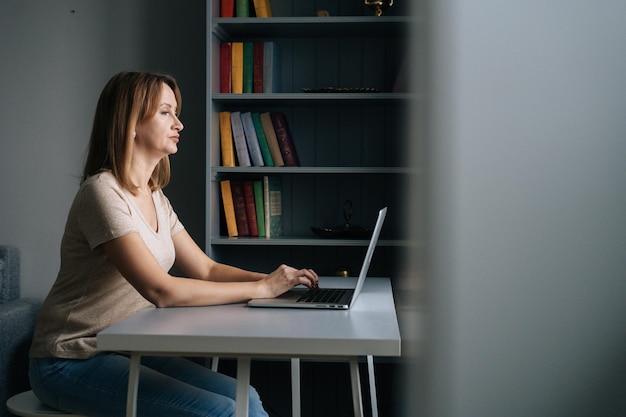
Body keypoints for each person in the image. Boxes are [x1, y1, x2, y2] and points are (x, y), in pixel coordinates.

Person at [29, 71, 319, 417]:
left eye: (176, 112)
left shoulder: (153, 194)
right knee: (223, 412)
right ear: (131, 122)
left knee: (248, 399)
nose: (179, 123)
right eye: (166, 112)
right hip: (70, 361)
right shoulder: (102, 193)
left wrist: (276, 283)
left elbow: (206, 269)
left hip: (127, 347)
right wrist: (261, 289)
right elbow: (161, 291)